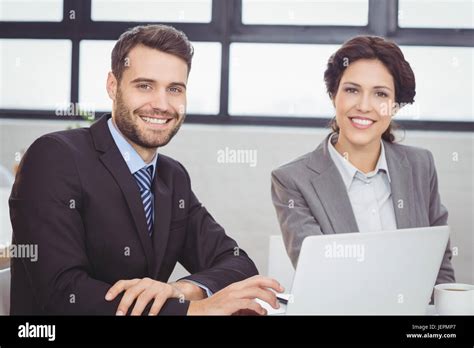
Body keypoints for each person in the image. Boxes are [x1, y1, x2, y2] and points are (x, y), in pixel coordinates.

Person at [9, 24, 283, 316]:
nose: (162, 105)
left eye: (174, 89)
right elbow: (63, 293)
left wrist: (181, 289)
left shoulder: (172, 176)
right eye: (145, 86)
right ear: (113, 86)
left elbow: (237, 263)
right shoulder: (55, 157)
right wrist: (190, 310)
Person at [271, 35, 455, 286]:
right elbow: (319, 275)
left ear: (395, 106)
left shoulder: (420, 166)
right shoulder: (292, 180)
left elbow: (440, 265)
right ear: (334, 95)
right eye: (352, 90)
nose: (364, 106)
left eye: (380, 94)